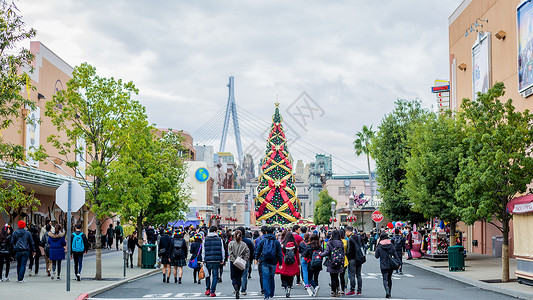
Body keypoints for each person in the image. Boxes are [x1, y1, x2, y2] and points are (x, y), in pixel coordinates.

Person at [255, 226, 283, 300]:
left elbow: (258, 250)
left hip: (264, 261)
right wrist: (280, 263)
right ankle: (271, 293)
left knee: (265, 277)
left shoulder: (263, 241)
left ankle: (266, 295)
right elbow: (279, 253)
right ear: (273, 232)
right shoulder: (276, 241)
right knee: (271, 277)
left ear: (266, 232)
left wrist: (256, 258)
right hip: (273, 262)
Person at [201, 226, 225, 297]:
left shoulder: (205, 239)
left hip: (207, 260)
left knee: (207, 275)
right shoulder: (219, 239)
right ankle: (212, 291)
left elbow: (203, 251)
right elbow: (222, 250)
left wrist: (203, 259)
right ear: (215, 231)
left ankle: (207, 289)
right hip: (216, 260)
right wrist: (222, 259)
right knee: (215, 276)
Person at [320, 230, 344, 297]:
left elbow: (327, 252)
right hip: (339, 261)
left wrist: (321, 254)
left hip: (332, 261)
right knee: (337, 276)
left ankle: (333, 291)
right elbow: (343, 252)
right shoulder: (341, 242)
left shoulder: (329, 242)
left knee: (333, 277)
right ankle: (338, 289)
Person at [277, 230, 300, 298]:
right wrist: (298, 264)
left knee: (283, 276)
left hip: (284, 262)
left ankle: (286, 286)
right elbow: (297, 255)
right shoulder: (295, 245)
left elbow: (280, 254)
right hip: (293, 262)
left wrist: (279, 263)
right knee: (291, 275)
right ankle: (289, 286)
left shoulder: (282, 244)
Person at [375, 232, 399, 298]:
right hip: (390, 263)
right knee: (389, 278)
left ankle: (386, 289)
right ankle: (390, 292)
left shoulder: (380, 245)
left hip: (383, 263)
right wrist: (399, 263)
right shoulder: (391, 245)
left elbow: (376, 256)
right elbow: (396, 255)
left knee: (384, 278)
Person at [228, 230, 249, 299]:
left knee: (233, 277)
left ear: (234, 235)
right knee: (239, 276)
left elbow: (230, 253)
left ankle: (236, 289)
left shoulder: (231, 243)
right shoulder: (244, 244)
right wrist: (244, 260)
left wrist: (234, 260)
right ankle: (238, 290)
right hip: (241, 262)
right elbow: (247, 253)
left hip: (233, 262)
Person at [345, 226, 364, 295]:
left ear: (347, 231)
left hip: (352, 259)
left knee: (352, 275)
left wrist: (347, 255)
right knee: (359, 275)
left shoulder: (350, 239)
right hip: (360, 258)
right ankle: (359, 291)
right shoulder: (359, 237)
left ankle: (352, 290)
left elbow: (349, 250)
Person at [237, 227, 254, 295]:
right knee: (244, 275)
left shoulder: (235, 241)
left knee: (237, 275)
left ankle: (236, 288)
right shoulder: (248, 241)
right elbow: (252, 251)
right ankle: (243, 290)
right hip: (246, 259)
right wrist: (251, 259)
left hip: (237, 259)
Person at [254, 226, 267, 296]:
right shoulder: (271, 239)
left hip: (261, 259)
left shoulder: (258, 240)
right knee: (269, 275)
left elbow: (256, 250)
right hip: (270, 259)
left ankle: (263, 290)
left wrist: (256, 259)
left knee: (262, 275)